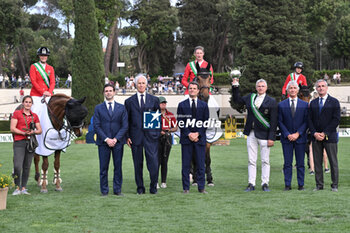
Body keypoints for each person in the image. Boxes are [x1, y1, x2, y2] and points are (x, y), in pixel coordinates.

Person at [231, 78, 278, 192]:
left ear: (266, 88)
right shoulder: (250, 97)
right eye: (259, 86)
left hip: (265, 134)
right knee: (251, 160)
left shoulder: (271, 101)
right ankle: (251, 183)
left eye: (262, 86)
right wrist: (235, 86)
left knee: (265, 160)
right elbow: (237, 100)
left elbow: (274, 121)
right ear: (256, 87)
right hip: (251, 133)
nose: (260, 88)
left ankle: (265, 183)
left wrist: (272, 137)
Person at [124, 74, 161, 195]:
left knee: (154, 164)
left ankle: (153, 187)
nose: (141, 85)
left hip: (151, 138)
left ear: (146, 85)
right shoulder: (129, 102)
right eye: (139, 83)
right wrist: (127, 136)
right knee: (137, 164)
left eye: (143, 83)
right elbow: (126, 121)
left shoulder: (154, 100)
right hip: (136, 138)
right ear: (135, 85)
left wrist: (156, 134)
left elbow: (158, 119)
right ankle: (140, 188)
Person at [93, 84, 128, 196]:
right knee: (103, 168)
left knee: (118, 167)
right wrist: (107, 139)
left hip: (118, 143)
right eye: (106, 91)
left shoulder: (121, 108)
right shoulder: (98, 108)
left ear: (114, 92)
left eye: (110, 91)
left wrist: (116, 139)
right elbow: (97, 126)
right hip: (103, 143)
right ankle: (104, 190)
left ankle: (117, 190)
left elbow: (125, 125)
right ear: (104, 93)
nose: (108, 92)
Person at [308, 79, 340, 192]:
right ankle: (319, 185)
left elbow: (336, 120)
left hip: (329, 137)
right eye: (318, 86)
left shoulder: (334, 102)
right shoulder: (313, 103)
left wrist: (325, 133)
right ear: (316, 88)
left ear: (326, 88)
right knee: (317, 162)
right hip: (316, 137)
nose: (321, 88)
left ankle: (334, 185)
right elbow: (309, 120)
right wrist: (315, 133)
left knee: (333, 161)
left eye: (323, 86)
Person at [177, 82, 209, 194]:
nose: (192, 90)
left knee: (200, 164)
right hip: (187, 139)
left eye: (194, 88)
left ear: (198, 90)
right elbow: (180, 121)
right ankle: (186, 188)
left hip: (199, 140)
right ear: (188, 90)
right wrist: (189, 134)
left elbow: (206, 122)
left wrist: (197, 134)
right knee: (185, 165)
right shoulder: (182, 105)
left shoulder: (204, 105)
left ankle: (201, 187)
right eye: (190, 88)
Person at [278, 81, 308, 191]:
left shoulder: (305, 105)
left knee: (300, 163)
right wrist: (287, 134)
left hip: (300, 138)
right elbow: (280, 122)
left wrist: (297, 133)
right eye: (290, 88)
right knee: (287, 163)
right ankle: (287, 185)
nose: (292, 90)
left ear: (298, 90)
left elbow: (306, 121)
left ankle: (301, 185)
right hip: (286, 139)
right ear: (287, 90)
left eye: (294, 88)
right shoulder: (281, 105)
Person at [10, 96, 42, 195]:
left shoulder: (35, 116)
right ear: (23, 103)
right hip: (19, 142)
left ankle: (23, 188)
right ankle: (17, 187)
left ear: (32, 104)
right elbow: (12, 128)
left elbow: (40, 130)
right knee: (17, 166)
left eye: (30, 102)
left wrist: (33, 132)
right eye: (26, 102)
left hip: (30, 143)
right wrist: (23, 133)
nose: (28, 104)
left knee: (27, 166)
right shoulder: (17, 113)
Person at [29, 46, 56, 159]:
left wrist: (49, 92)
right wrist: (42, 92)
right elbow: (33, 81)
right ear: (39, 56)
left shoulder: (51, 68)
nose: (43, 57)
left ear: (47, 57)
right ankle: (31, 134)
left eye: (45, 55)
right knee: (34, 113)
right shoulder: (34, 67)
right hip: (36, 95)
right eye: (42, 55)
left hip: (48, 94)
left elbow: (53, 81)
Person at [157, 96, 177, 189]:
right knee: (156, 161)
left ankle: (163, 181)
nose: (163, 104)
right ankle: (155, 181)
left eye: (164, 102)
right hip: (156, 139)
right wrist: (158, 131)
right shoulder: (154, 114)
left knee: (165, 161)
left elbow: (175, 127)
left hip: (167, 139)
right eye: (161, 103)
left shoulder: (170, 115)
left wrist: (168, 130)